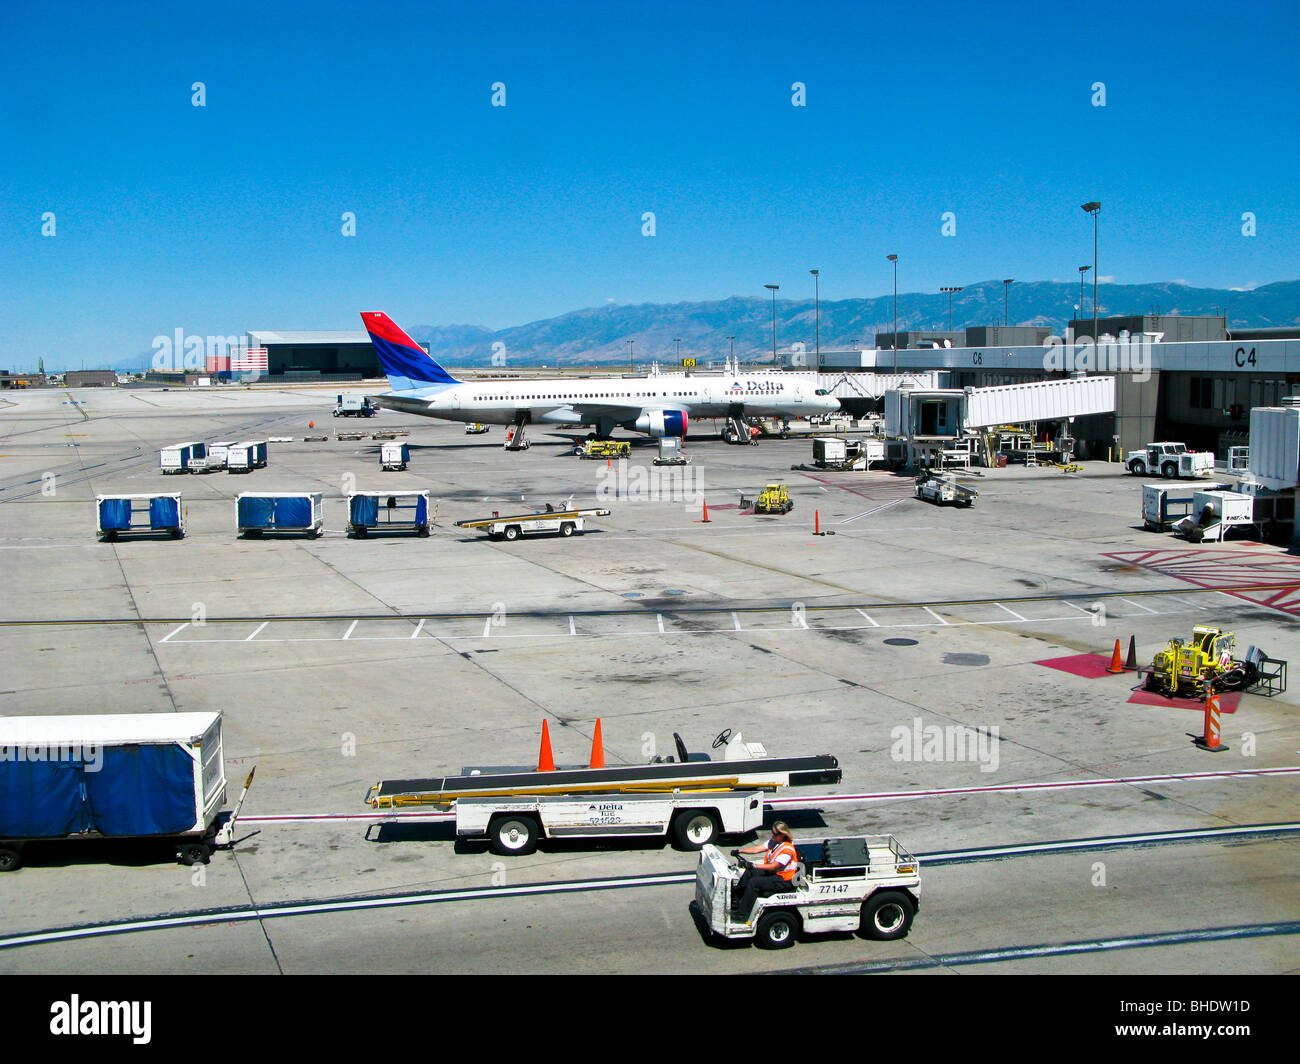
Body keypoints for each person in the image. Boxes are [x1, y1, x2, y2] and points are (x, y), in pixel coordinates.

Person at [731, 821, 798, 921]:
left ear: (783, 835)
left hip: (783, 880)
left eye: (775, 834)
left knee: (754, 883)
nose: (772, 835)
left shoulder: (787, 850)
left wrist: (753, 865)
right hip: (774, 874)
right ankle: (736, 900)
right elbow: (757, 849)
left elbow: (773, 867)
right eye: (772, 832)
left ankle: (742, 915)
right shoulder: (775, 842)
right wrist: (740, 851)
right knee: (749, 873)